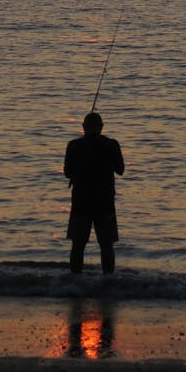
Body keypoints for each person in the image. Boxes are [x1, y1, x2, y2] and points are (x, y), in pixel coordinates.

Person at [64, 112, 125, 274]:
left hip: (80, 201)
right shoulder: (111, 144)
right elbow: (120, 170)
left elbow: (67, 173)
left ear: (83, 128)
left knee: (78, 244)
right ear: (101, 127)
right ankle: (108, 281)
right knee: (106, 245)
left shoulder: (73, 145)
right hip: (104, 201)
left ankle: (75, 282)